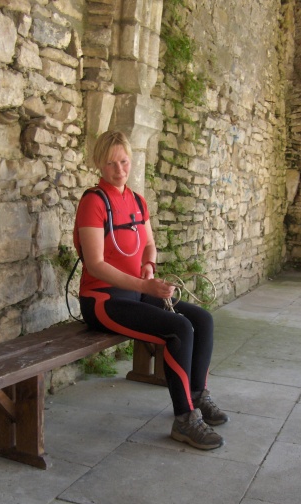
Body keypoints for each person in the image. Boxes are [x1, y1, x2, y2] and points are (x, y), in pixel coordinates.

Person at [73, 130, 229, 450]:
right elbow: (96, 265)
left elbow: (149, 245)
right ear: (99, 164)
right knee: (178, 329)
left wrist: (149, 266)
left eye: (124, 161)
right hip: (103, 299)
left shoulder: (136, 200)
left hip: (136, 292)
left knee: (202, 320)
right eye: (111, 163)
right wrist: (145, 285)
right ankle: (184, 418)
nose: (119, 170)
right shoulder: (93, 202)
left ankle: (197, 395)